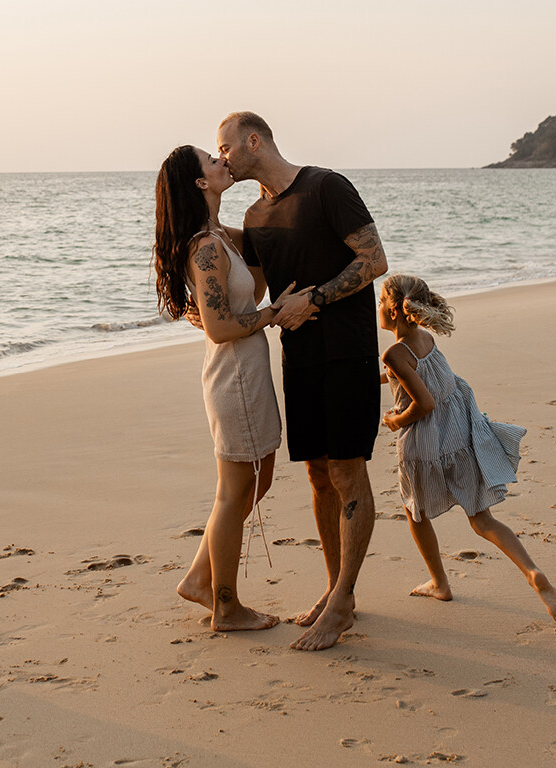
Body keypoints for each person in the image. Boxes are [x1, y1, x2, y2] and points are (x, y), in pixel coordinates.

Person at [207, 112, 388, 651]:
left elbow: (374, 260)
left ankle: (342, 601)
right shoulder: (256, 214)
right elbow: (252, 287)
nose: (222, 159)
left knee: (348, 472)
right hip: (299, 358)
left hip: (348, 353)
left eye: (226, 148)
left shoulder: (326, 186)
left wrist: (317, 297)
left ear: (253, 141)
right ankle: (337, 590)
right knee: (316, 475)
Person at [154, 145, 311, 632]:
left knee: (256, 479)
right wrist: (275, 314)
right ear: (200, 183)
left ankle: (201, 577)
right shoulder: (205, 246)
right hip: (234, 376)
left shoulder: (221, 237)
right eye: (212, 161)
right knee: (234, 491)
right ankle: (225, 605)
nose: (223, 162)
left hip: (246, 371)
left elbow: (249, 286)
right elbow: (221, 327)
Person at [379, 274, 556, 624]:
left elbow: (423, 403)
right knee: (482, 519)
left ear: (393, 310)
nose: (377, 308)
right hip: (458, 434)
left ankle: (440, 583)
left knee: (415, 512)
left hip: (426, 440)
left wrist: (395, 421)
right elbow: (419, 375)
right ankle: (531, 572)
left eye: (379, 302)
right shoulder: (424, 338)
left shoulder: (393, 352)